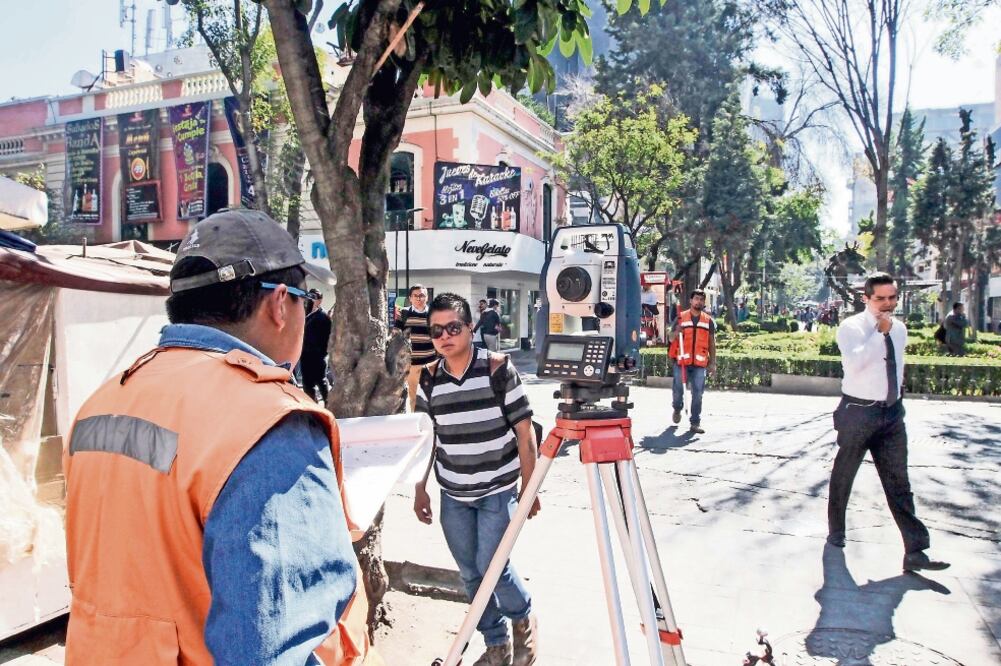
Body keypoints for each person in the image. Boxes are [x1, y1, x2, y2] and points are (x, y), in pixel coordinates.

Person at [62, 209, 375, 664]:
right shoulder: (267, 422)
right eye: (307, 301)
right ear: (279, 304)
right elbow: (273, 647)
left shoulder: (102, 402)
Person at [413, 293, 540, 666]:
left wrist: (530, 489)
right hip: (453, 493)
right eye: (436, 331)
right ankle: (496, 644)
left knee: (492, 567)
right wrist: (420, 488)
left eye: (453, 327)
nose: (444, 336)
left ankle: (524, 620)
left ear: (470, 327)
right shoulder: (429, 377)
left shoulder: (498, 368)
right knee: (470, 574)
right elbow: (426, 438)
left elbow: (525, 432)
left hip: (498, 491)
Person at [827, 272, 949, 573]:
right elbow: (854, 364)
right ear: (865, 298)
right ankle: (837, 531)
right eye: (880, 298)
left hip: (891, 413)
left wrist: (896, 402)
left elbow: (896, 368)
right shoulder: (851, 327)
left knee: (899, 482)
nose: (887, 304)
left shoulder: (900, 329)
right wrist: (878, 333)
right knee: (845, 474)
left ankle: (916, 550)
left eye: (892, 298)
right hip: (858, 411)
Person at [668, 289, 716, 434]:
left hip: (699, 365)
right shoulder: (681, 318)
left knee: (698, 393)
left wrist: (712, 362)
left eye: (701, 299)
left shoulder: (708, 321)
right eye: (696, 299)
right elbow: (670, 338)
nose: (699, 302)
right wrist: (677, 333)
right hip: (681, 361)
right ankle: (677, 407)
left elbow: (712, 343)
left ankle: (695, 422)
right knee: (677, 390)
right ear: (690, 300)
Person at [395, 284, 436, 410]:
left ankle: (433, 423)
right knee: (413, 397)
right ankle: (417, 422)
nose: (419, 298)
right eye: (416, 296)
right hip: (412, 364)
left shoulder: (434, 315)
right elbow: (397, 336)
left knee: (432, 396)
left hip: (431, 363)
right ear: (410, 298)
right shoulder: (403, 314)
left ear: (427, 298)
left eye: (422, 295)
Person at [301, 288, 332, 402]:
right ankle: (312, 405)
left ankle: (328, 404)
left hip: (318, 355)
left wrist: (323, 353)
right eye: (310, 297)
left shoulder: (323, 316)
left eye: (314, 297)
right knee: (307, 383)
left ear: (320, 300)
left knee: (321, 381)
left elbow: (328, 336)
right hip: (305, 354)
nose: (311, 300)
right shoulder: (304, 314)